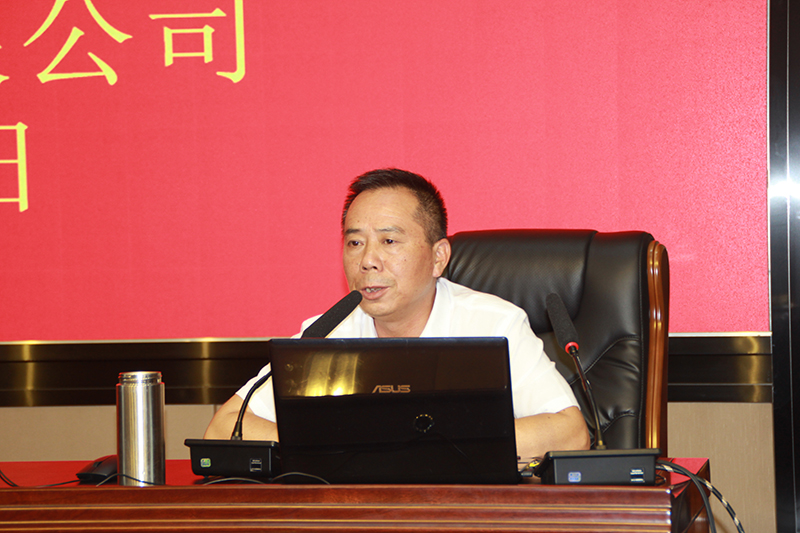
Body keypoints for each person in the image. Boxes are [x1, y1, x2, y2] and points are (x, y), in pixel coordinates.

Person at [204, 168, 590, 459]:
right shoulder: (325, 333)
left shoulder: (494, 324)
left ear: (438, 257)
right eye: (355, 243)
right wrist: (337, 445)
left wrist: (419, 449)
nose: (368, 261)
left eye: (389, 240)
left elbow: (570, 433)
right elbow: (224, 427)